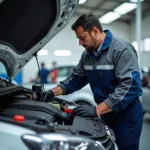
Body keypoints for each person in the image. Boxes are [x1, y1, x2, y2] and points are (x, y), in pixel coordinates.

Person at [43, 13, 143, 150]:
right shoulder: (87, 56)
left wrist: (96, 110)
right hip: (106, 115)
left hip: (126, 117)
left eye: (82, 38)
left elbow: (129, 87)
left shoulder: (121, 50)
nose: (80, 43)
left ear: (95, 31)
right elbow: (75, 78)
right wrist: (51, 92)